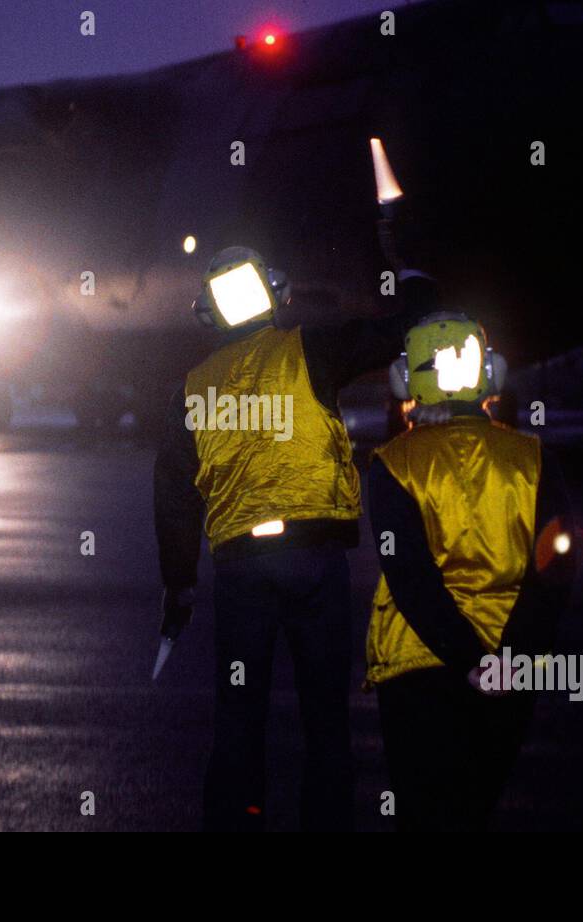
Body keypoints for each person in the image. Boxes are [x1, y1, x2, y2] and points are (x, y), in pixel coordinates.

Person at [153, 245, 438, 831]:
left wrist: (179, 584)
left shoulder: (194, 388)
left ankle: (236, 821)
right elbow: (401, 331)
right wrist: (412, 277)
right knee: (325, 719)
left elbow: (174, 497)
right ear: (275, 293)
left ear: (209, 313)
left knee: (238, 717)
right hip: (313, 558)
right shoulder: (311, 349)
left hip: (239, 569)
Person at [365, 310, 573, 832]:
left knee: (420, 812)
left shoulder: (393, 463)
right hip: (510, 668)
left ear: (406, 379)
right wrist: (509, 659)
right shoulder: (533, 457)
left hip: (415, 664)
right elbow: (555, 567)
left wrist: (466, 661)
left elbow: (410, 576)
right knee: (475, 809)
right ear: (493, 373)